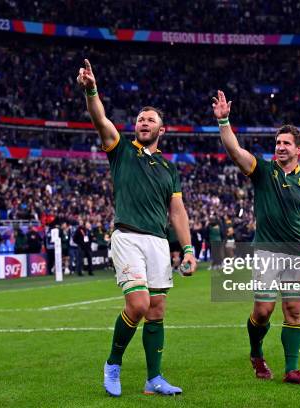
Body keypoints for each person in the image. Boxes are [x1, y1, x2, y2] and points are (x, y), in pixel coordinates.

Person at [78, 59, 197, 397]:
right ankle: (113, 364)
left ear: (163, 130)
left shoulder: (169, 169)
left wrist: (187, 248)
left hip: (158, 241)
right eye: (140, 119)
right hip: (127, 236)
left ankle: (153, 379)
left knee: (157, 309)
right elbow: (99, 117)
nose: (144, 122)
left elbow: (177, 212)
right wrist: (91, 90)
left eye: (151, 119)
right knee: (140, 304)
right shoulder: (121, 150)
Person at [213, 90, 300, 385]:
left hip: (297, 252)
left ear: (298, 150)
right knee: (264, 311)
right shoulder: (263, 171)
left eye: (286, 143)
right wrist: (224, 121)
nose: (280, 147)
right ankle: (256, 352)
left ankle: (292, 370)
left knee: (293, 310)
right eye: (278, 142)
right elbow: (235, 151)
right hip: (267, 252)